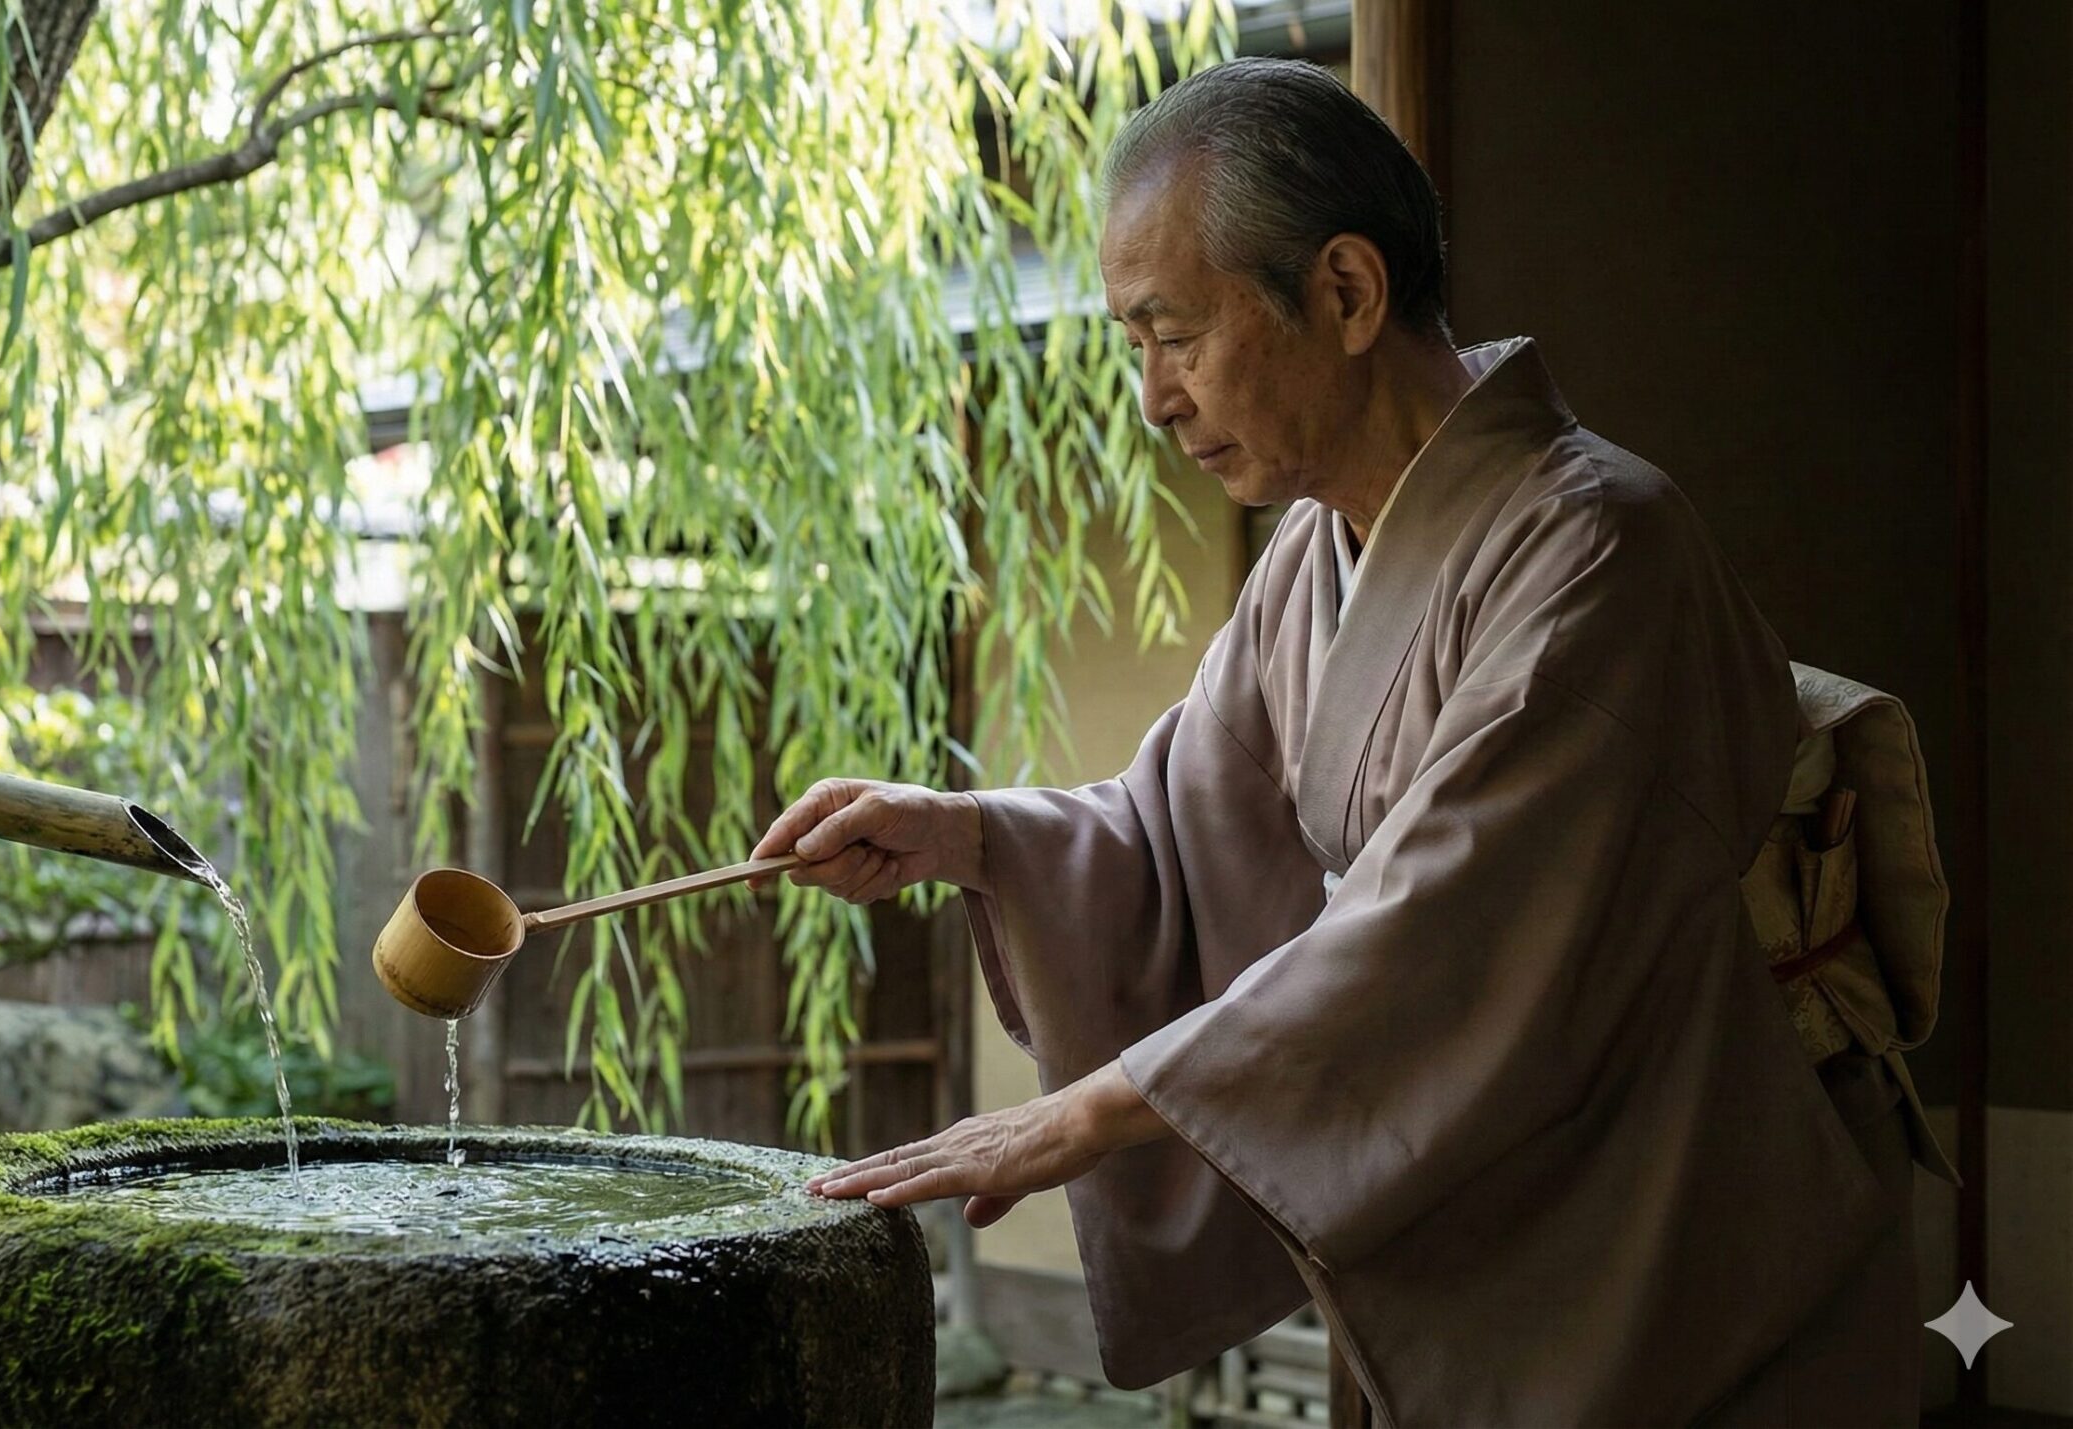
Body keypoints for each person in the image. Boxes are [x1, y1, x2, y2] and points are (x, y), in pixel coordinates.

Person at [752, 58, 1928, 1427]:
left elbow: (1447, 929)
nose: (1154, 399)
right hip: (1512, 1251)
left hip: (1681, 1240)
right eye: (1133, 347)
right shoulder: (1314, 551)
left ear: (1350, 293)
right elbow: (1177, 827)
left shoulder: (1600, 547)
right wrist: (963, 831)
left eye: (1176, 336)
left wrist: (1090, 1109)